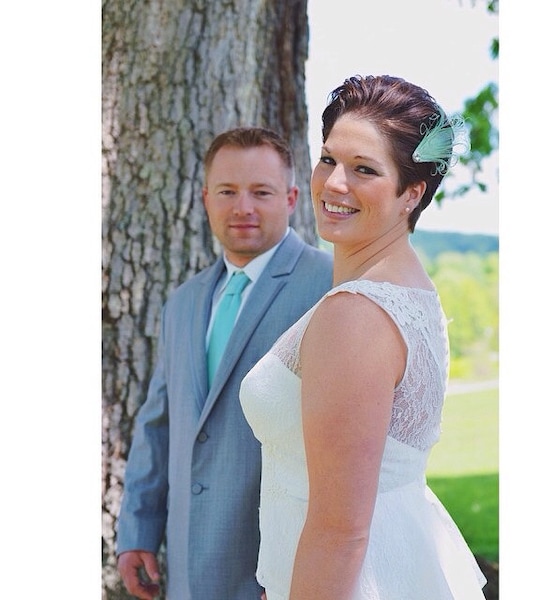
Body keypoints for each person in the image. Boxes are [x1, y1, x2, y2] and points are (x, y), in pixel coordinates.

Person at [240, 75, 487, 599]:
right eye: (328, 159)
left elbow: (340, 533)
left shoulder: (356, 315)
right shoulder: (408, 291)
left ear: (411, 194)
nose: (333, 184)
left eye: (364, 170)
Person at [116, 126, 333, 600]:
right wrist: (138, 532)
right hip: (188, 568)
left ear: (292, 197)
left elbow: (345, 448)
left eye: (261, 192)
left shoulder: (330, 288)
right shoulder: (183, 303)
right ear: (205, 198)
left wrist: (305, 572)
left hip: (276, 569)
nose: (243, 208)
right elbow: (159, 424)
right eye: (228, 192)